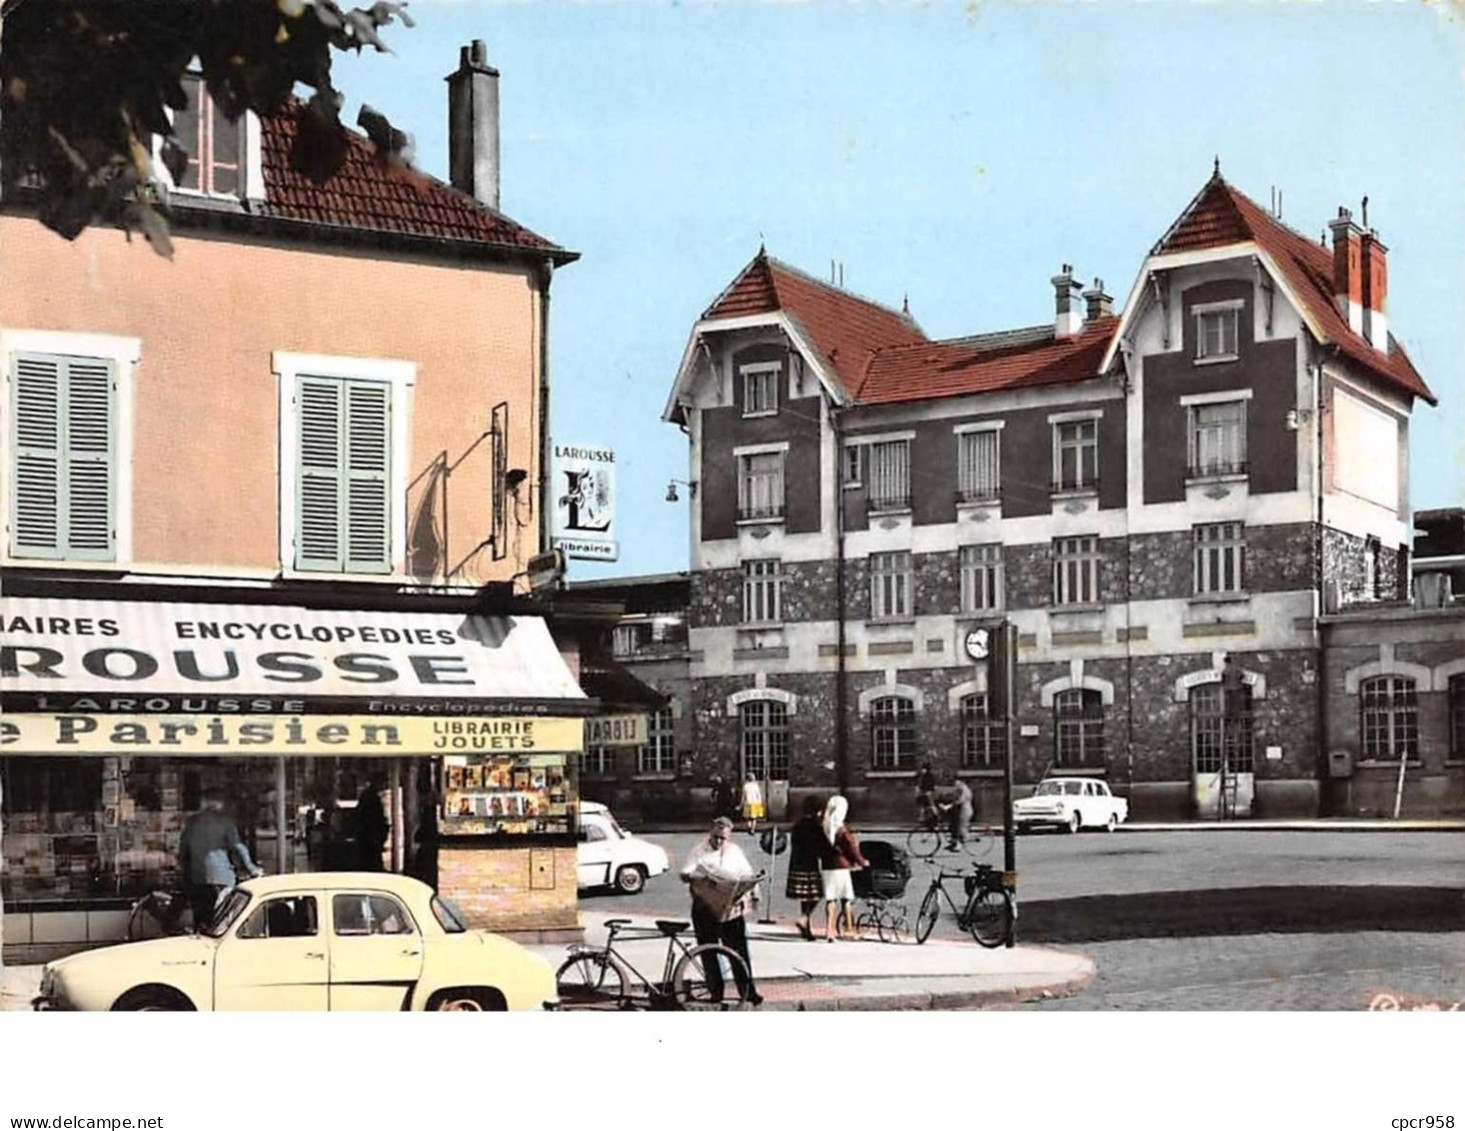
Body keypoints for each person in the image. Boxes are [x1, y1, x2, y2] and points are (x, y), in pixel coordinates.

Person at [679, 816, 763, 1006]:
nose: (718, 841)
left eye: (722, 838)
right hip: (705, 908)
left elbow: (747, 873)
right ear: (711, 833)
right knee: (709, 952)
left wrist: (751, 887)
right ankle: (716, 992)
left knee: (739, 952)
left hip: (730, 910)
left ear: (729, 837)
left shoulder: (735, 852)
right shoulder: (699, 850)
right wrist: (700, 878)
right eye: (715, 837)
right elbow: (685, 873)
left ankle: (748, 991)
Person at [178, 792, 262, 928]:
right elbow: (238, 846)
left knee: (201, 917)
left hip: (197, 876)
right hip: (221, 877)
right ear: (219, 804)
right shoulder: (225, 822)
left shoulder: (192, 822)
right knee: (223, 918)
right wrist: (252, 868)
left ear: (203, 803)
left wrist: (183, 872)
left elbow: (183, 851)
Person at [818, 795, 868, 941]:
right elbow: (851, 849)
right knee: (846, 899)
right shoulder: (842, 830)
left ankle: (829, 930)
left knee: (830, 898)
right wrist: (862, 861)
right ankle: (849, 929)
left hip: (828, 866)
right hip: (842, 866)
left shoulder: (824, 828)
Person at [784, 795, 825, 941]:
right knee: (816, 895)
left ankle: (806, 929)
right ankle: (804, 918)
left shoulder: (798, 825)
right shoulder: (815, 825)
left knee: (805, 898)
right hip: (810, 865)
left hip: (796, 864)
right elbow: (821, 846)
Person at [354, 778, 389, 871]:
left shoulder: (370, 796)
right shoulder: (371, 797)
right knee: (372, 860)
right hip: (370, 837)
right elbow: (372, 818)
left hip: (369, 837)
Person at [947, 776, 974, 851]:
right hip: (962, 810)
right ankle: (954, 842)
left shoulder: (964, 789)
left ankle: (959, 845)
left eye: (957, 782)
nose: (955, 784)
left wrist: (950, 805)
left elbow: (960, 800)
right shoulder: (960, 789)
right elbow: (954, 798)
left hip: (965, 810)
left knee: (960, 827)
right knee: (954, 825)